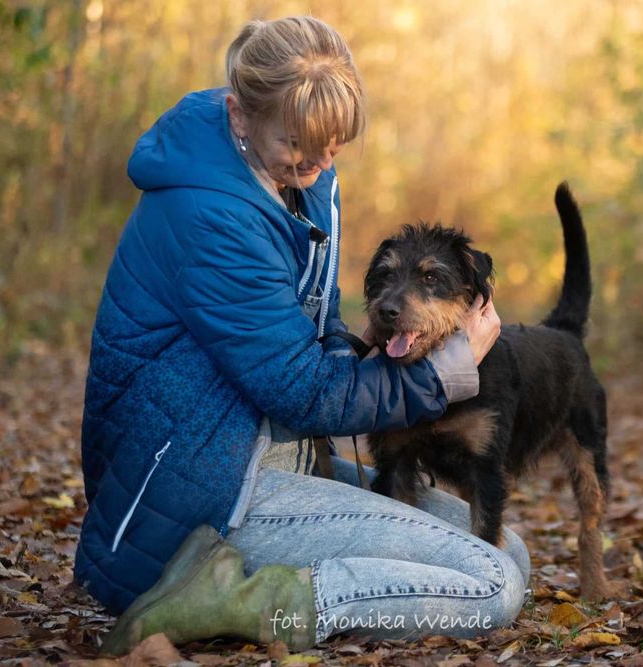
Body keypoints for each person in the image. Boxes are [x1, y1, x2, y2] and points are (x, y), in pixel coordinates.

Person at [74, 15, 529, 655]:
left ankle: (305, 592)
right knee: (491, 585)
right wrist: (441, 376)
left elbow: (307, 335)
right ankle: (242, 602)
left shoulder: (298, 179)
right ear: (240, 115)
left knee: (511, 553)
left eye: (333, 146)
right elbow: (299, 388)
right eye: (301, 144)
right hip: (209, 490)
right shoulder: (210, 215)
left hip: (277, 457)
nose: (318, 165)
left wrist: (370, 340)